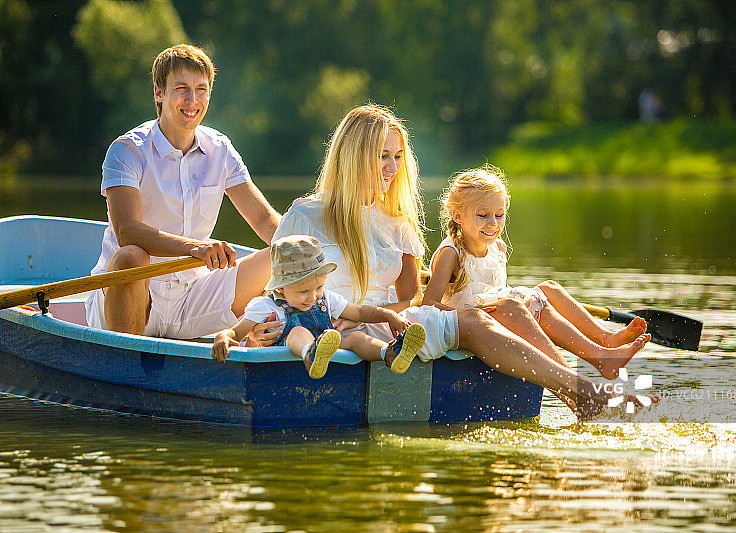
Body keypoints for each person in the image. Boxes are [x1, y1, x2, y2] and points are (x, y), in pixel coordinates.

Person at [266, 103, 655, 419]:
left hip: (389, 326)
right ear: (352, 158)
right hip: (323, 328)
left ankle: (581, 389)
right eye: (382, 156)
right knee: (485, 312)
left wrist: (378, 313)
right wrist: (263, 329)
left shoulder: (397, 222)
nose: (392, 167)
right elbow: (276, 293)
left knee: (490, 311)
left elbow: (411, 299)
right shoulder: (305, 215)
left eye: (397, 156)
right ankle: (582, 389)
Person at [85, 44, 282, 341]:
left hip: (192, 297)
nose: (193, 100)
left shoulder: (221, 149)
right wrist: (196, 248)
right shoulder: (127, 150)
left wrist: (306, 252)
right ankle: (124, 362)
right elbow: (127, 231)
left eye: (201, 90)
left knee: (280, 253)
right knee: (130, 257)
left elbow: (266, 221)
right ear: (159, 93)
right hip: (131, 295)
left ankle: (270, 332)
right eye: (181, 89)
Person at [422, 165, 651, 380]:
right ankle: (591, 365)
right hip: (472, 327)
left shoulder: (497, 248)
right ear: (458, 216)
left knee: (548, 288)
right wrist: (474, 312)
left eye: (499, 215)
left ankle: (604, 341)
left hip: (500, 316)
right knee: (524, 303)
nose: (493, 223)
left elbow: (498, 291)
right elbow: (429, 305)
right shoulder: (450, 254)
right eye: (483, 215)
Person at [211, 235, 427, 378]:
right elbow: (236, 331)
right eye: (303, 291)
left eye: (319, 288)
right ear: (281, 289)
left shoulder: (326, 300)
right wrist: (223, 336)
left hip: (328, 351)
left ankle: (390, 353)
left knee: (356, 338)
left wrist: (389, 315)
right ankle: (310, 354)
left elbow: (359, 311)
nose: (313, 297)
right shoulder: (266, 306)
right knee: (297, 331)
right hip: (287, 364)